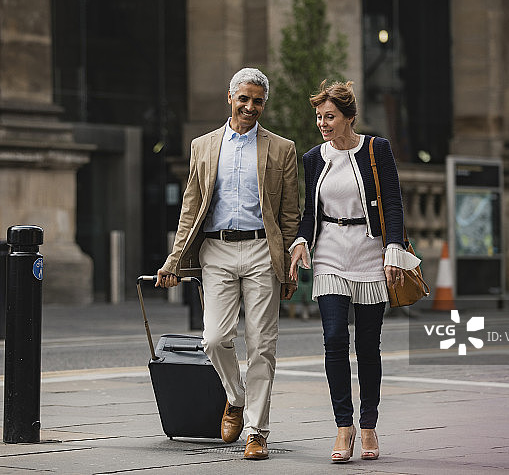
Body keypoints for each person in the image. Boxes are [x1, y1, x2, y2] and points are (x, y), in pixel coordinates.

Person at [156, 67, 300, 460]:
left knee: (261, 345)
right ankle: (235, 397)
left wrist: (288, 265)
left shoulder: (281, 149)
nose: (250, 106)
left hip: (260, 252)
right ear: (230, 98)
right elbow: (191, 207)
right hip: (216, 252)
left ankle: (256, 431)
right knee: (215, 340)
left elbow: (289, 215)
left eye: (257, 100)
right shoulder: (203, 146)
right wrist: (174, 259)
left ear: (263, 104)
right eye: (244, 98)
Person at [289, 80, 419, 463]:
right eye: (319, 117)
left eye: (330, 117)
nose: (323, 124)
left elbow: (393, 203)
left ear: (349, 117)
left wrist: (393, 248)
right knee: (333, 338)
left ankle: (368, 424)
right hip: (329, 250)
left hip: (369, 251)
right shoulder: (314, 158)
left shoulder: (377, 149)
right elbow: (309, 209)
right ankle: (343, 426)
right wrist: (300, 241)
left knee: (367, 345)